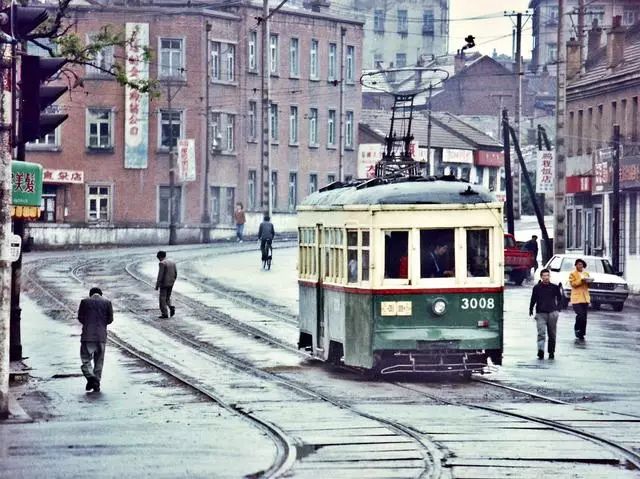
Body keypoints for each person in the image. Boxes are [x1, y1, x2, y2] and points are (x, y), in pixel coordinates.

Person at [77, 287, 114, 392]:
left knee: (85, 359)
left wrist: (88, 324)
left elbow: (80, 317)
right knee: (99, 361)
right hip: (101, 336)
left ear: (90, 294)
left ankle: (91, 378)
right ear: (101, 294)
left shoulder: (84, 302)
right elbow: (110, 319)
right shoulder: (107, 302)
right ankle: (96, 382)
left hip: (87, 336)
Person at [529, 269, 562, 359]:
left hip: (552, 313)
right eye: (544, 275)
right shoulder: (537, 288)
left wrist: (558, 309)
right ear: (541, 277)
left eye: (547, 275)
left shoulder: (554, 287)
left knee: (552, 334)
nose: (546, 277)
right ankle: (541, 350)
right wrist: (531, 309)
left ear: (549, 276)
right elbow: (533, 299)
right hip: (540, 313)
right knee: (541, 333)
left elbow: (560, 298)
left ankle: (551, 351)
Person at [569, 258, 591, 341]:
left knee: (584, 317)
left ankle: (582, 333)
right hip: (576, 298)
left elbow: (588, 286)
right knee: (580, 315)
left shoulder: (586, 273)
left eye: (581, 264)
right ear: (576, 265)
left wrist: (589, 282)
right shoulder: (572, 274)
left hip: (585, 298)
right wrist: (581, 280)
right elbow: (573, 284)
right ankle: (577, 329)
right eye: (578, 264)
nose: (580, 266)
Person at [155, 250, 177, 319]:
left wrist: (157, 285)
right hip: (171, 283)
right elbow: (175, 273)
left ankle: (165, 314)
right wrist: (173, 281)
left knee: (162, 299)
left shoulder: (162, 263)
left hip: (164, 284)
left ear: (159, 257)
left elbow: (160, 275)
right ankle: (171, 307)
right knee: (167, 297)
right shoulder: (172, 262)